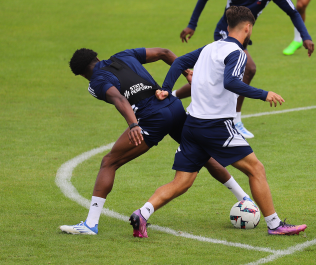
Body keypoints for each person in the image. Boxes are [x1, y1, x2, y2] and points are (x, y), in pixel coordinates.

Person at [129, 6, 307, 238]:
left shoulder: (210, 48)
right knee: (256, 169)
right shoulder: (237, 53)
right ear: (248, 27)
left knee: (182, 182)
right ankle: (275, 225)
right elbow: (231, 82)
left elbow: (179, 61)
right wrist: (264, 94)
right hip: (215, 127)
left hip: (192, 124)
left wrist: (166, 88)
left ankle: (142, 213)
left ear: (226, 27)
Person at [60, 46, 251, 235]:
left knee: (109, 162)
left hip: (153, 119)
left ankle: (90, 224)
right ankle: (244, 198)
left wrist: (134, 125)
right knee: (201, 152)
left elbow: (118, 98)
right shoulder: (123, 55)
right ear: (96, 57)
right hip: (173, 105)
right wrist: (186, 72)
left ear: (83, 74)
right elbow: (164, 53)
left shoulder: (96, 82)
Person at [177, 0, 315, 139]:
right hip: (225, 32)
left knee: (217, 76)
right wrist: (192, 25)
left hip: (243, 37)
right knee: (249, 69)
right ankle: (234, 120)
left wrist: (305, 36)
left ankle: (174, 95)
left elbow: (293, 12)